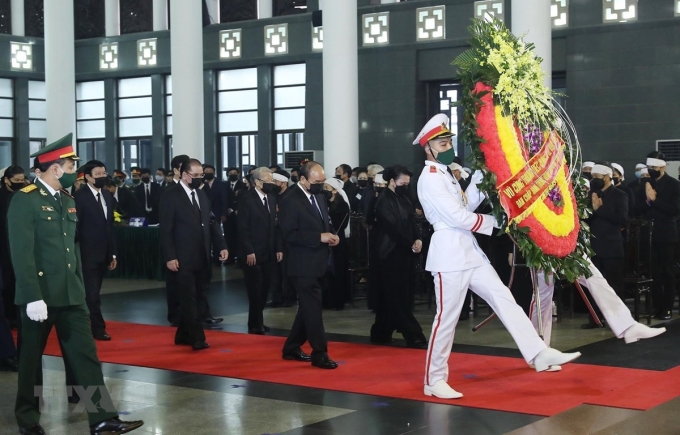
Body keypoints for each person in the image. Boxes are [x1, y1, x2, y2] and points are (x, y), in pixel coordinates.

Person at [414, 114, 582, 399]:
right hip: (449, 253)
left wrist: (483, 172)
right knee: (447, 318)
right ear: (428, 148)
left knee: (504, 299)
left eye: (448, 142)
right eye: (442, 144)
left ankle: (537, 352)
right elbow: (457, 216)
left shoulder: (446, 176)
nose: (449, 148)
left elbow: (466, 203)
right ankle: (434, 379)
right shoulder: (430, 179)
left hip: (468, 250)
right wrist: (496, 223)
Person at [9, 133, 143, 435]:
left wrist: (80, 287)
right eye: (71, 165)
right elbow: (22, 252)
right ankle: (28, 420)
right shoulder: (25, 200)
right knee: (31, 361)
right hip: (39, 296)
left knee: (86, 356)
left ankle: (102, 418)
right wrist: (32, 296)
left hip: (70, 294)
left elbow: (73, 248)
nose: (74, 171)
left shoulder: (66, 200)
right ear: (55, 168)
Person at [159, 158, 229, 351]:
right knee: (189, 298)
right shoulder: (170, 195)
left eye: (202, 176)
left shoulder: (201, 194)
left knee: (199, 294)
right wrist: (170, 256)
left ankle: (183, 334)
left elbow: (212, 222)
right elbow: (166, 229)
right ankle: (197, 337)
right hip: (182, 256)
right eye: (195, 175)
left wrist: (221, 245)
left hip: (202, 255)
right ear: (184, 174)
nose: (200, 179)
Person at [279, 161, 339, 369]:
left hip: (320, 261)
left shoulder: (319, 196)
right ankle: (320, 352)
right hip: (301, 264)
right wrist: (318, 237)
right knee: (313, 309)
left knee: (308, 308)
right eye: (316, 182)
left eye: (322, 182)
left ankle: (291, 347)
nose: (320, 186)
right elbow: (289, 234)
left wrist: (331, 234)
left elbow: (325, 221)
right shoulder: (289, 199)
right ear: (303, 179)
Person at [370, 165, 428, 348]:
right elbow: (391, 228)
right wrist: (410, 242)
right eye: (403, 183)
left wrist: (418, 238)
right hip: (390, 253)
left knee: (395, 294)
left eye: (408, 183)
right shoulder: (383, 201)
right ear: (392, 181)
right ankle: (413, 333)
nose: (406, 186)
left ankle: (381, 331)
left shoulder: (404, 198)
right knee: (397, 294)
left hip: (404, 252)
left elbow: (411, 221)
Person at [74, 160, 118, 341]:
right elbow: (76, 228)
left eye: (104, 173)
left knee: (94, 293)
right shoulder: (79, 197)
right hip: (87, 253)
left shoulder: (107, 196)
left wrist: (113, 253)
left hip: (104, 253)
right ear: (88, 177)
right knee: (92, 295)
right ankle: (98, 328)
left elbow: (110, 227)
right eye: (98, 174)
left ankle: (84, 322)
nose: (102, 177)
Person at [633, 152, 680, 320]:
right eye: (650, 167)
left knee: (666, 271)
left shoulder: (674, 185)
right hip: (648, 234)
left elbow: (674, 210)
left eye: (654, 167)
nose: (652, 170)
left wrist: (654, 200)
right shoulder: (644, 184)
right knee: (653, 272)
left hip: (666, 234)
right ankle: (656, 305)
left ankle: (667, 307)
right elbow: (635, 209)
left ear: (662, 166)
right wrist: (647, 201)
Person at [582, 163, 628, 327]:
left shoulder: (619, 195)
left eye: (597, 178)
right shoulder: (592, 194)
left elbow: (621, 219)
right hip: (594, 246)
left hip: (612, 246)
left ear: (607, 178)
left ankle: (618, 319)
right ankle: (595, 318)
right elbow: (585, 218)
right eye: (592, 177)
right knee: (594, 285)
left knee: (613, 284)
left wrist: (599, 209)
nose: (594, 180)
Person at [238, 167, 282, 334]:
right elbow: (243, 228)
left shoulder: (271, 198)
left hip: (269, 251)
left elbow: (275, 226)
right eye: (267, 181)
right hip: (253, 253)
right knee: (255, 289)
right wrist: (249, 251)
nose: (271, 184)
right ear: (257, 182)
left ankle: (258, 321)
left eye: (272, 180)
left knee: (265, 289)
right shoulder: (246, 200)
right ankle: (255, 324)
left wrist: (278, 248)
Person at [0, 165, 26, 328]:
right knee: (7, 282)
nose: (20, 183)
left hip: (21, 246)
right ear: (6, 180)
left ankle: (19, 314)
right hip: (3, 247)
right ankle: (9, 315)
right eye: (16, 181)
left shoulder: (24, 196)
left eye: (22, 180)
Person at [323, 178, 350, 311]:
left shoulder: (342, 205)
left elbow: (342, 224)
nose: (325, 190)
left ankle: (338, 300)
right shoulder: (323, 202)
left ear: (334, 191)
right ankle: (325, 300)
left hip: (338, 240)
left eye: (327, 188)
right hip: (324, 240)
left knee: (337, 271)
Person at [225, 167, 245, 264]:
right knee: (228, 236)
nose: (232, 175)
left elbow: (243, 199)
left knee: (239, 236)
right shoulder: (224, 185)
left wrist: (235, 208)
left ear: (238, 174)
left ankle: (240, 258)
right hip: (227, 215)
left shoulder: (243, 185)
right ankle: (230, 257)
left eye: (234, 173)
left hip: (238, 214)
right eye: (230, 173)